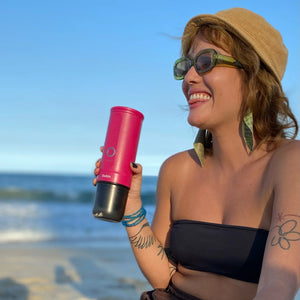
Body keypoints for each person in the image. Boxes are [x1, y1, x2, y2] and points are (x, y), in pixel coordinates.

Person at [93, 7, 300, 300]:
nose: (188, 78)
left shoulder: (290, 162)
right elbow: (165, 277)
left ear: (255, 77)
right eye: (185, 66)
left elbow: (278, 286)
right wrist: (132, 212)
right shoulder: (177, 169)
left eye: (205, 62)